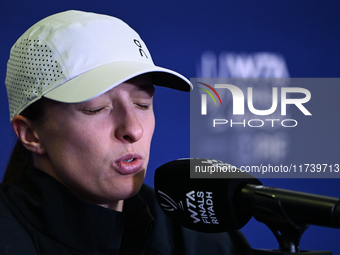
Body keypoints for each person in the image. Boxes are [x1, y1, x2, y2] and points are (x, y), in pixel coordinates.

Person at [0, 10, 251, 254]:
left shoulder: (196, 237)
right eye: (96, 108)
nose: (133, 129)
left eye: (142, 103)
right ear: (30, 134)